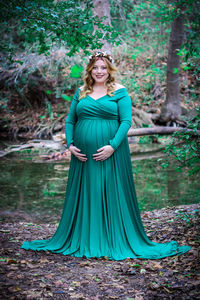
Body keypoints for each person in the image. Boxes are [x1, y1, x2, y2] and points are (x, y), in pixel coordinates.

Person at [21, 51, 191, 260]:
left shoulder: (119, 91)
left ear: (109, 70)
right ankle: (85, 236)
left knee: (110, 190)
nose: (99, 71)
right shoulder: (81, 92)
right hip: (82, 154)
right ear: (90, 70)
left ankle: (111, 237)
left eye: (103, 67)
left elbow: (126, 122)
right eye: (95, 67)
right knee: (88, 190)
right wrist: (70, 144)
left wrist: (112, 146)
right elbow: (70, 121)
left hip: (112, 152)